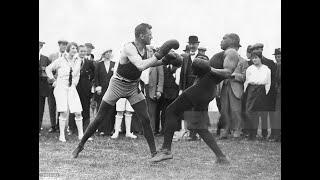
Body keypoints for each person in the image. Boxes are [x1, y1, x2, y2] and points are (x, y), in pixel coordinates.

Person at [72, 23, 181, 159]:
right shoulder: (129, 47)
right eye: (149, 34)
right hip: (117, 84)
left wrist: (166, 60)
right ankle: (80, 145)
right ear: (141, 35)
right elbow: (141, 66)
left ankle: (154, 153)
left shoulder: (147, 49)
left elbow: (152, 62)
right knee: (100, 117)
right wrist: (160, 55)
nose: (152, 37)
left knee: (145, 119)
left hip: (133, 86)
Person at [150, 33, 241, 164]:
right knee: (198, 125)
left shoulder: (231, 52)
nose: (221, 40)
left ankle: (166, 150)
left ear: (232, 41)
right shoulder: (225, 53)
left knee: (171, 111)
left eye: (224, 38)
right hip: (205, 88)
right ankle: (221, 157)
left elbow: (227, 72)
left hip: (204, 88)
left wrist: (208, 67)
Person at [46, 42, 84, 142]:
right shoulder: (61, 60)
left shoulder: (78, 60)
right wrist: (53, 81)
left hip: (71, 87)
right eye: (72, 48)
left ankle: (81, 135)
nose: (74, 50)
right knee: (63, 111)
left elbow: (77, 74)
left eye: (76, 48)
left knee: (78, 111)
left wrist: (74, 84)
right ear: (68, 49)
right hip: (61, 86)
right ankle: (62, 135)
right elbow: (48, 69)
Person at [178, 35, 205, 141]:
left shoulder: (203, 57)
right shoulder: (185, 58)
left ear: (198, 45)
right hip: (187, 87)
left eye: (194, 44)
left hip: (198, 87)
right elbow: (181, 75)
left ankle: (200, 133)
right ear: (188, 45)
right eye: (191, 44)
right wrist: (181, 89)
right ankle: (191, 134)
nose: (192, 46)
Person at [249, 43, 276, 140]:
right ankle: (253, 134)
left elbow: (272, 79)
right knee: (254, 113)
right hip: (254, 92)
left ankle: (265, 134)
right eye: (255, 49)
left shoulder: (270, 63)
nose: (257, 50)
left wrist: (267, 90)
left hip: (266, 92)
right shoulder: (251, 63)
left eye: (259, 48)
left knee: (264, 113)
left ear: (262, 49)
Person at [219, 50, 248, 139]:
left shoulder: (243, 61)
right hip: (224, 87)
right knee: (224, 109)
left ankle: (237, 130)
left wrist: (235, 75)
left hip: (236, 88)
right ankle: (226, 130)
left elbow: (245, 77)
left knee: (235, 110)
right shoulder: (224, 60)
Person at [68, 45, 95, 141]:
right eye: (81, 51)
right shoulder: (74, 61)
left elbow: (93, 74)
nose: (83, 53)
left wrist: (90, 84)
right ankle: (72, 129)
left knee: (85, 109)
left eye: (84, 51)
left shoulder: (89, 62)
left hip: (86, 89)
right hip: (75, 88)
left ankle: (85, 130)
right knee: (74, 109)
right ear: (78, 51)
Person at [242, 51, 271, 141]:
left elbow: (268, 82)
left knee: (262, 113)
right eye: (253, 58)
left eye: (256, 58)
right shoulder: (250, 69)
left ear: (260, 58)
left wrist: (265, 92)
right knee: (250, 112)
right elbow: (246, 81)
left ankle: (264, 134)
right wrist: (247, 92)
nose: (254, 59)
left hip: (262, 91)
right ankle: (252, 134)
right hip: (252, 90)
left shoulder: (266, 69)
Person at [47, 40, 68, 133]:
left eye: (65, 45)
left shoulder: (68, 57)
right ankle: (53, 126)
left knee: (61, 105)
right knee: (52, 105)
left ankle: (60, 126)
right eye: (62, 45)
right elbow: (48, 69)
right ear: (59, 45)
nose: (63, 47)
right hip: (52, 84)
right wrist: (52, 80)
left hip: (63, 85)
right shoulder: (52, 56)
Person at [95, 49, 116, 136]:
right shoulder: (99, 64)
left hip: (112, 90)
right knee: (101, 108)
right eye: (106, 52)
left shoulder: (114, 64)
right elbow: (96, 77)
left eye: (109, 52)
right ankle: (101, 128)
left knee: (111, 109)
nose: (108, 54)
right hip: (102, 90)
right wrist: (97, 87)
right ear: (103, 54)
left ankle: (110, 129)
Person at [159, 63, 180, 136]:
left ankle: (174, 129)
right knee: (164, 113)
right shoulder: (163, 67)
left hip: (174, 94)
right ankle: (164, 130)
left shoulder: (177, 67)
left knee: (173, 113)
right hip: (164, 95)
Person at [39, 41, 51, 134]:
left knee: (40, 108)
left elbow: (50, 71)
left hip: (41, 88)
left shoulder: (45, 59)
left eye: (40, 45)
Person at [269, 48, 281, 142]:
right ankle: (275, 135)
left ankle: (277, 135)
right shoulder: (274, 66)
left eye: (279, 56)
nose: (278, 58)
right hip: (275, 93)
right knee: (275, 114)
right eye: (276, 56)